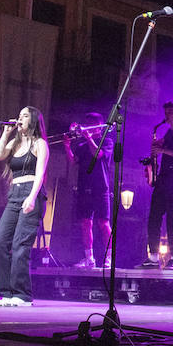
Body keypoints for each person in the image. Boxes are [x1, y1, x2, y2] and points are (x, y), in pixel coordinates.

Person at [0, 106, 50, 306]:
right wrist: (6, 133)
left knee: (20, 244)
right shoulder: (15, 144)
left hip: (30, 193)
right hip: (14, 194)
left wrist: (32, 197)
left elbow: (40, 173)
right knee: (0, 240)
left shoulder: (40, 143)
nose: (19, 119)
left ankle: (23, 295)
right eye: (19, 116)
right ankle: (7, 293)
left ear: (33, 120)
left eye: (24, 116)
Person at [142, 101, 173, 269]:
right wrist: (157, 147)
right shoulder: (169, 134)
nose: (166, 116)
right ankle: (153, 257)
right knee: (154, 218)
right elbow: (162, 145)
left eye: (169, 112)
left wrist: (163, 151)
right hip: (163, 180)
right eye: (166, 112)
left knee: (172, 220)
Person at [66, 113, 112, 269]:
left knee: (103, 223)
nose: (87, 127)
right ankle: (89, 258)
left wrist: (89, 138)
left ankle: (108, 258)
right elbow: (73, 162)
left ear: (99, 126)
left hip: (100, 187)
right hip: (84, 187)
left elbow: (98, 155)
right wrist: (67, 146)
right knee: (86, 223)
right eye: (86, 124)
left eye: (91, 124)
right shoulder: (81, 146)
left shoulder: (107, 141)